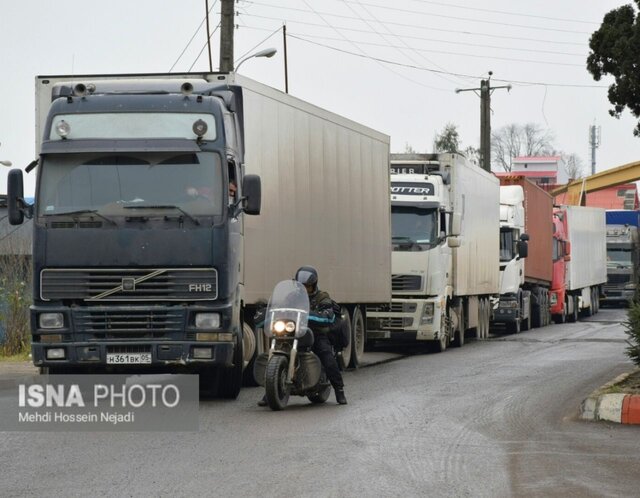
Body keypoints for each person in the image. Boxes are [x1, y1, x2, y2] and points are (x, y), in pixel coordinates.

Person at [258, 266, 347, 406]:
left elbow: (328, 317)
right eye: (302, 287)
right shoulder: (292, 296)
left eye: (308, 287)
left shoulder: (322, 297)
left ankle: (339, 389)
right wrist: (267, 313)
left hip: (316, 334)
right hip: (293, 331)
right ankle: (270, 391)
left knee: (326, 354)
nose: (305, 290)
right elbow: (282, 307)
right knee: (277, 346)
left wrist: (309, 315)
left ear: (314, 285)